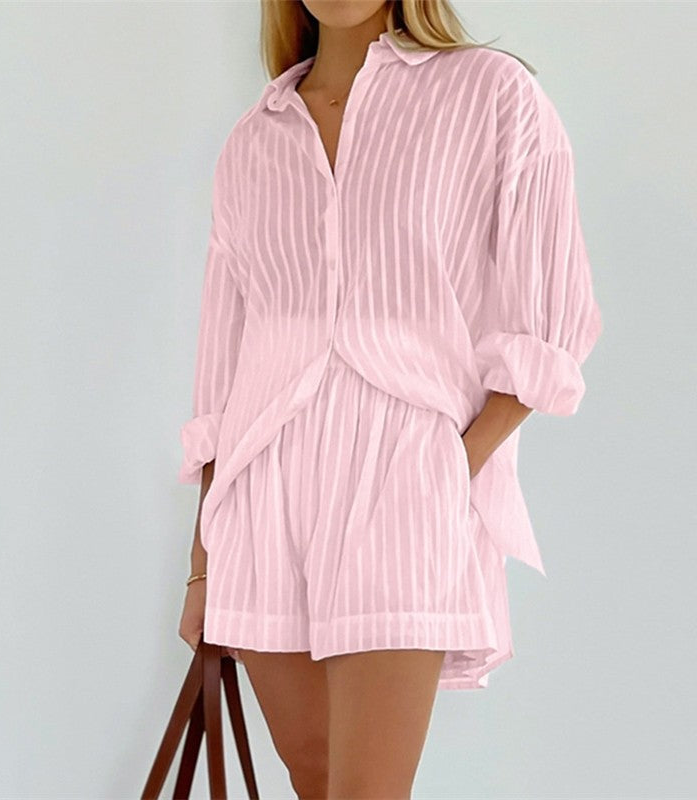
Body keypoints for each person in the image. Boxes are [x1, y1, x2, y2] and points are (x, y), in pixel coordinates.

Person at [177, 0, 603, 797]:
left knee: (367, 788)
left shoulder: (489, 93)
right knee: (314, 778)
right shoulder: (254, 137)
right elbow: (223, 369)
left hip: (403, 475)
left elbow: (551, 318)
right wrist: (202, 568)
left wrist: (449, 467)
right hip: (261, 490)